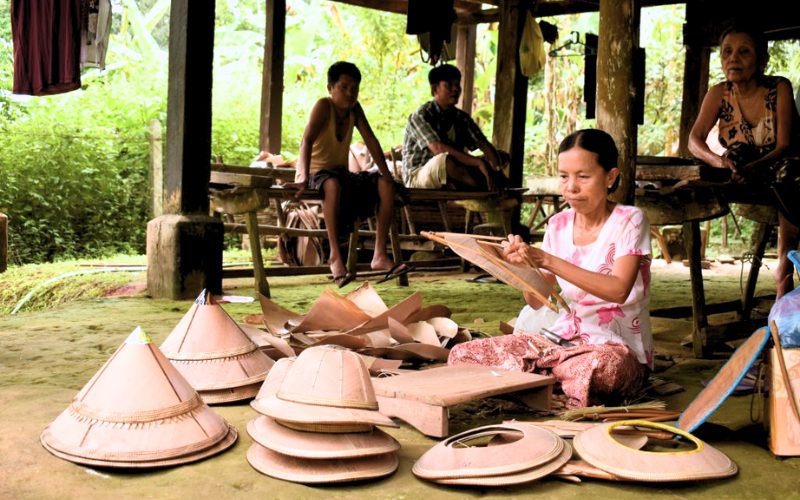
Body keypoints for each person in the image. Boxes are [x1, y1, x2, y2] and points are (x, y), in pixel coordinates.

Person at [448, 129, 653, 409]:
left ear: (610, 177)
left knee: (602, 368)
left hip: (614, 350)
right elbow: (536, 299)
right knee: (462, 354)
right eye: (564, 176)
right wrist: (520, 267)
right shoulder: (557, 224)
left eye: (583, 176)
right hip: (561, 343)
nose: (571, 187)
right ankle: (551, 381)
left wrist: (546, 260)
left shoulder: (629, 221)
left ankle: (535, 380)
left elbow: (618, 290)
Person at [688, 24, 800, 298]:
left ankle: (784, 270)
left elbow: (784, 145)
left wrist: (750, 169)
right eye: (727, 52)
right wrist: (718, 162)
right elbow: (694, 140)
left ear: (762, 60)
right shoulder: (719, 93)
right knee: (735, 153)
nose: (733, 58)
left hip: (783, 165)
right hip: (742, 166)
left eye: (744, 52)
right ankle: (784, 273)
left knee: (790, 178)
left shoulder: (779, 88)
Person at [286, 61, 410, 287]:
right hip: (318, 174)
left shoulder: (355, 109)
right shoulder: (323, 106)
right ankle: (335, 256)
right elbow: (306, 141)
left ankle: (379, 255)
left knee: (385, 184)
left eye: (354, 88)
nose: (350, 93)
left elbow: (371, 140)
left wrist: (387, 175)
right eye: (343, 87)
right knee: (332, 185)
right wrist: (301, 178)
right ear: (330, 88)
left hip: (341, 174)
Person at [402, 64, 508, 191]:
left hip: (454, 169)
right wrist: (478, 163)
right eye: (449, 85)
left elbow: (483, 143)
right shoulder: (421, 116)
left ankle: (490, 184)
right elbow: (438, 149)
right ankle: (483, 189)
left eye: (457, 85)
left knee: (501, 156)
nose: (455, 89)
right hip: (418, 176)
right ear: (434, 89)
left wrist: (495, 167)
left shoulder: (461, 117)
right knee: (445, 161)